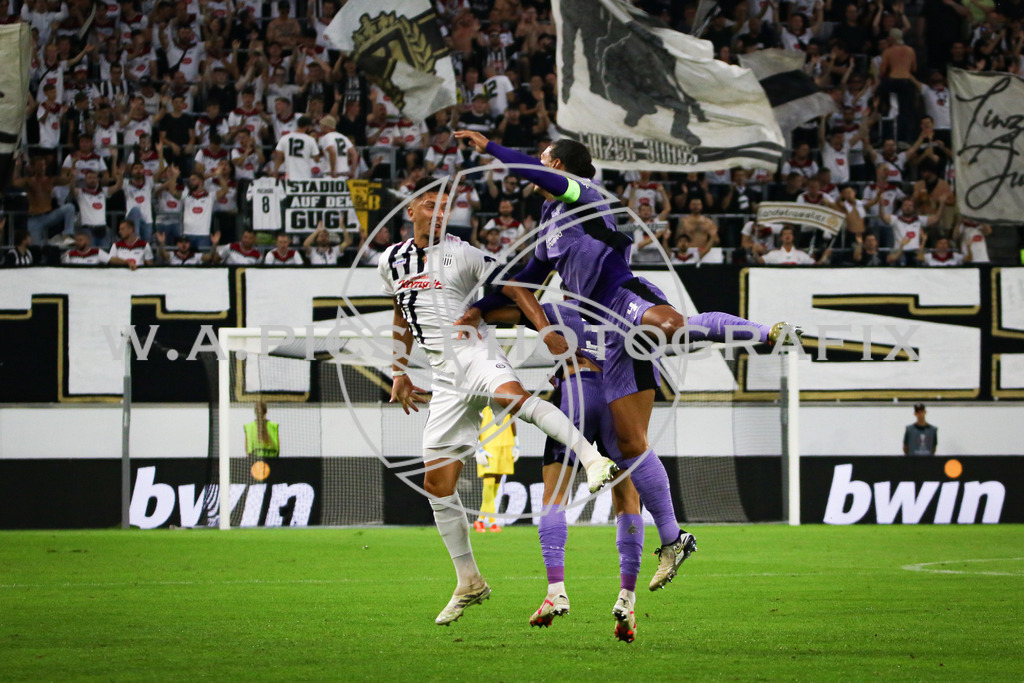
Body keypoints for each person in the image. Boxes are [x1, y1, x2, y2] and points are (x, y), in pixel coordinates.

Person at [453, 131, 792, 578]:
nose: (537, 163)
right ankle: (673, 540)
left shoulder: (583, 193)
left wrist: (492, 148)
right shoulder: (550, 217)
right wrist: (475, 310)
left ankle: (766, 333)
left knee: (672, 327)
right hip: (600, 329)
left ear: (557, 166)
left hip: (618, 296)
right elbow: (530, 274)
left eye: (544, 158)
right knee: (631, 444)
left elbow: (535, 174)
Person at [380, 177, 619, 627]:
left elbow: (514, 289)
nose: (438, 211)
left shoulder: (464, 254)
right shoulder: (390, 261)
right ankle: (469, 580)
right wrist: (398, 370)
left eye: (443, 206)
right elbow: (401, 311)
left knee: (514, 398)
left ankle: (591, 460)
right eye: (429, 205)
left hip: (475, 352)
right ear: (410, 211)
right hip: (444, 379)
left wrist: (544, 329)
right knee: (438, 485)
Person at [484, 297, 697, 642]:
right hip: (616, 400)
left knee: (555, 496)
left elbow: (493, 311)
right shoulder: (625, 310)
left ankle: (556, 591)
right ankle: (627, 598)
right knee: (627, 501)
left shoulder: (559, 310)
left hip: (575, 392)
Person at [473, 406, 517, 533]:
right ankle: (492, 523)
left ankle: (480, 520)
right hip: (488, 446)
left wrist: (516, 440)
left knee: (495, 487)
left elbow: (512, 420)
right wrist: (478, 446)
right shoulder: (484, 403)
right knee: (489, 483)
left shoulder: (507, 403)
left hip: (505, 445)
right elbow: (475, 422)